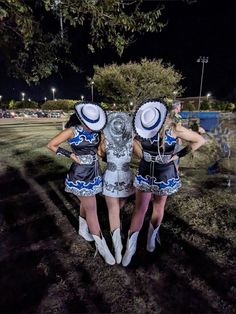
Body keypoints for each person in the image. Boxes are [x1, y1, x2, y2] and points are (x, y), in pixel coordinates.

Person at [122, 99, 206, 267]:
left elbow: (199, 140)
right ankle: (129, 249)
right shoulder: (142, 128)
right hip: (146, 172)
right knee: (140, 209)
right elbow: (132, 141)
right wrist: (142, 154)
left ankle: (151, 240)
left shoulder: (175, 128)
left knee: (158, 208)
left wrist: (178, 155)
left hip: (165, 174)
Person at [47, 102, 115, 265]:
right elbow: (51, 145)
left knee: (87, 204)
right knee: (92, 209)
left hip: (94, 171)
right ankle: (103, 248)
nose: (93, 126)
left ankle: (83, 229)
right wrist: (70, 155)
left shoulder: (97, 131)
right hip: (80, 175)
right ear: (83, 119)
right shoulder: (72, 131)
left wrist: (104, 144)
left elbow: (98, 152)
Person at [99, 112, 136, 264]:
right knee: (115, 209)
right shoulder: (131, 140)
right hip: (120, 175)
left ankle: (118, 248)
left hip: (116, 175)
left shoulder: (106, 140)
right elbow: (143, 156)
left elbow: (100, 154)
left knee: (115, 209)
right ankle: (118, 246)